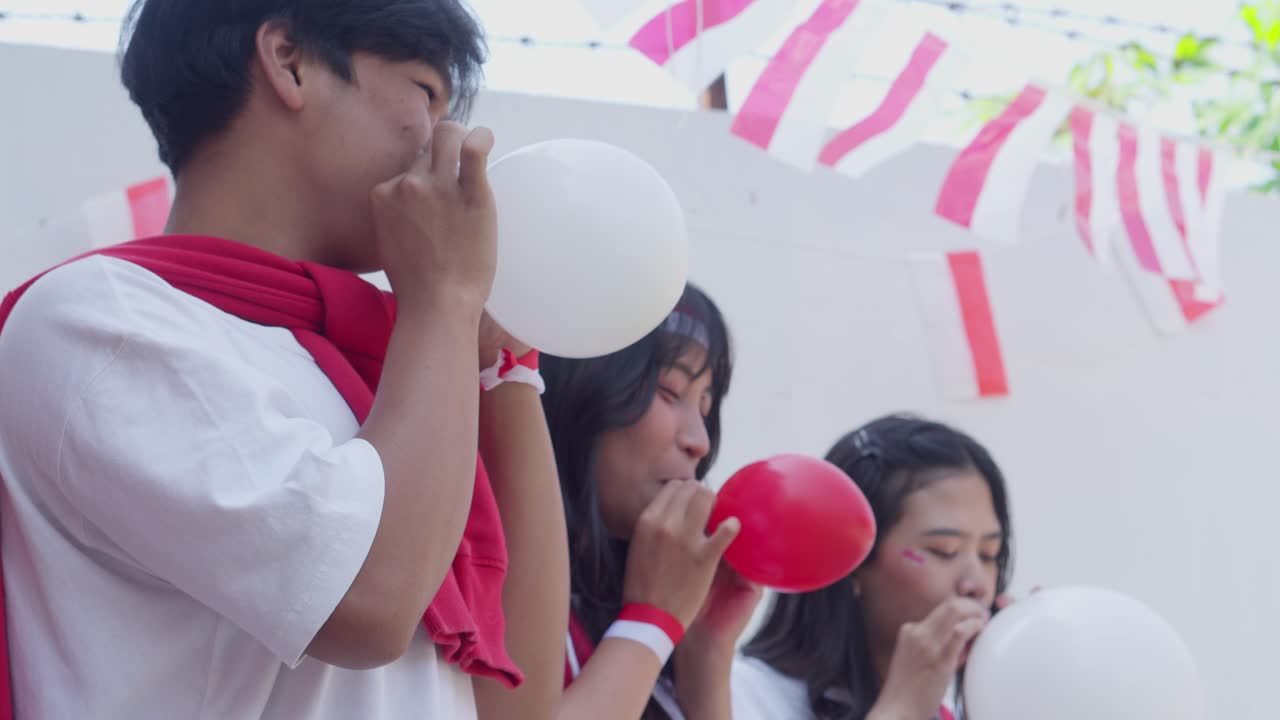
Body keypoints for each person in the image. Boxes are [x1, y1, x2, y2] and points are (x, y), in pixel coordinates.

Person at [0, 2, 567, 718]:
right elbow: (369, 600)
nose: (441, 142)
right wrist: (445, 302)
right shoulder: (97, 318)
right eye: (426, 94)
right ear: (289, 61)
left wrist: (504, 366)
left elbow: (520, 705)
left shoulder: (392, 357)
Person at [540, 285, 763, 720]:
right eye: (668, 392)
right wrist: (651, 620)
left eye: (705, 404)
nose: (698, 441)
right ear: (579, 391)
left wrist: (706, 650)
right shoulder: (493, 567)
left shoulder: (614, 603)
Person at [732, 415, 1015, 720]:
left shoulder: (960, 704)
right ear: (849, 562)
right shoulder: (743, 695)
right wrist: (904, 709)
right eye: (943, 551)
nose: (977, 584)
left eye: (989, 554)